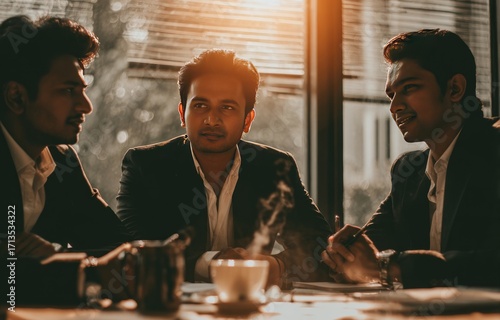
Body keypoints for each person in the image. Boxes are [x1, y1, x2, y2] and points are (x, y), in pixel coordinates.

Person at [117, 49, 332, 287]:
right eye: (200, 106)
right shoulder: (146, 166)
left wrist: (275, 266)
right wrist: (213, 264)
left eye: (227, 108)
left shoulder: (273, 168)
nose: (211, 120)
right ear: (182, 113)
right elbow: (131, 250)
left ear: (247, 120)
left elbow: (319, 244)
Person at [321, 29, 500, 289]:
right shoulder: (409, 171)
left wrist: (390, 267)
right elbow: (372, 244)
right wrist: (345, 257)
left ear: (455, 88)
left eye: (409, 88)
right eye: (391, 95)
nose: (395, 107)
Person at [0, 15, 131, 305]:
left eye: (83, 90)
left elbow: (118, 246)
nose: (86, 105)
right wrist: (88, 271)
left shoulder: (61, 160)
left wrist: (57, 255)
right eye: (68, 91)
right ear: (16, 97)